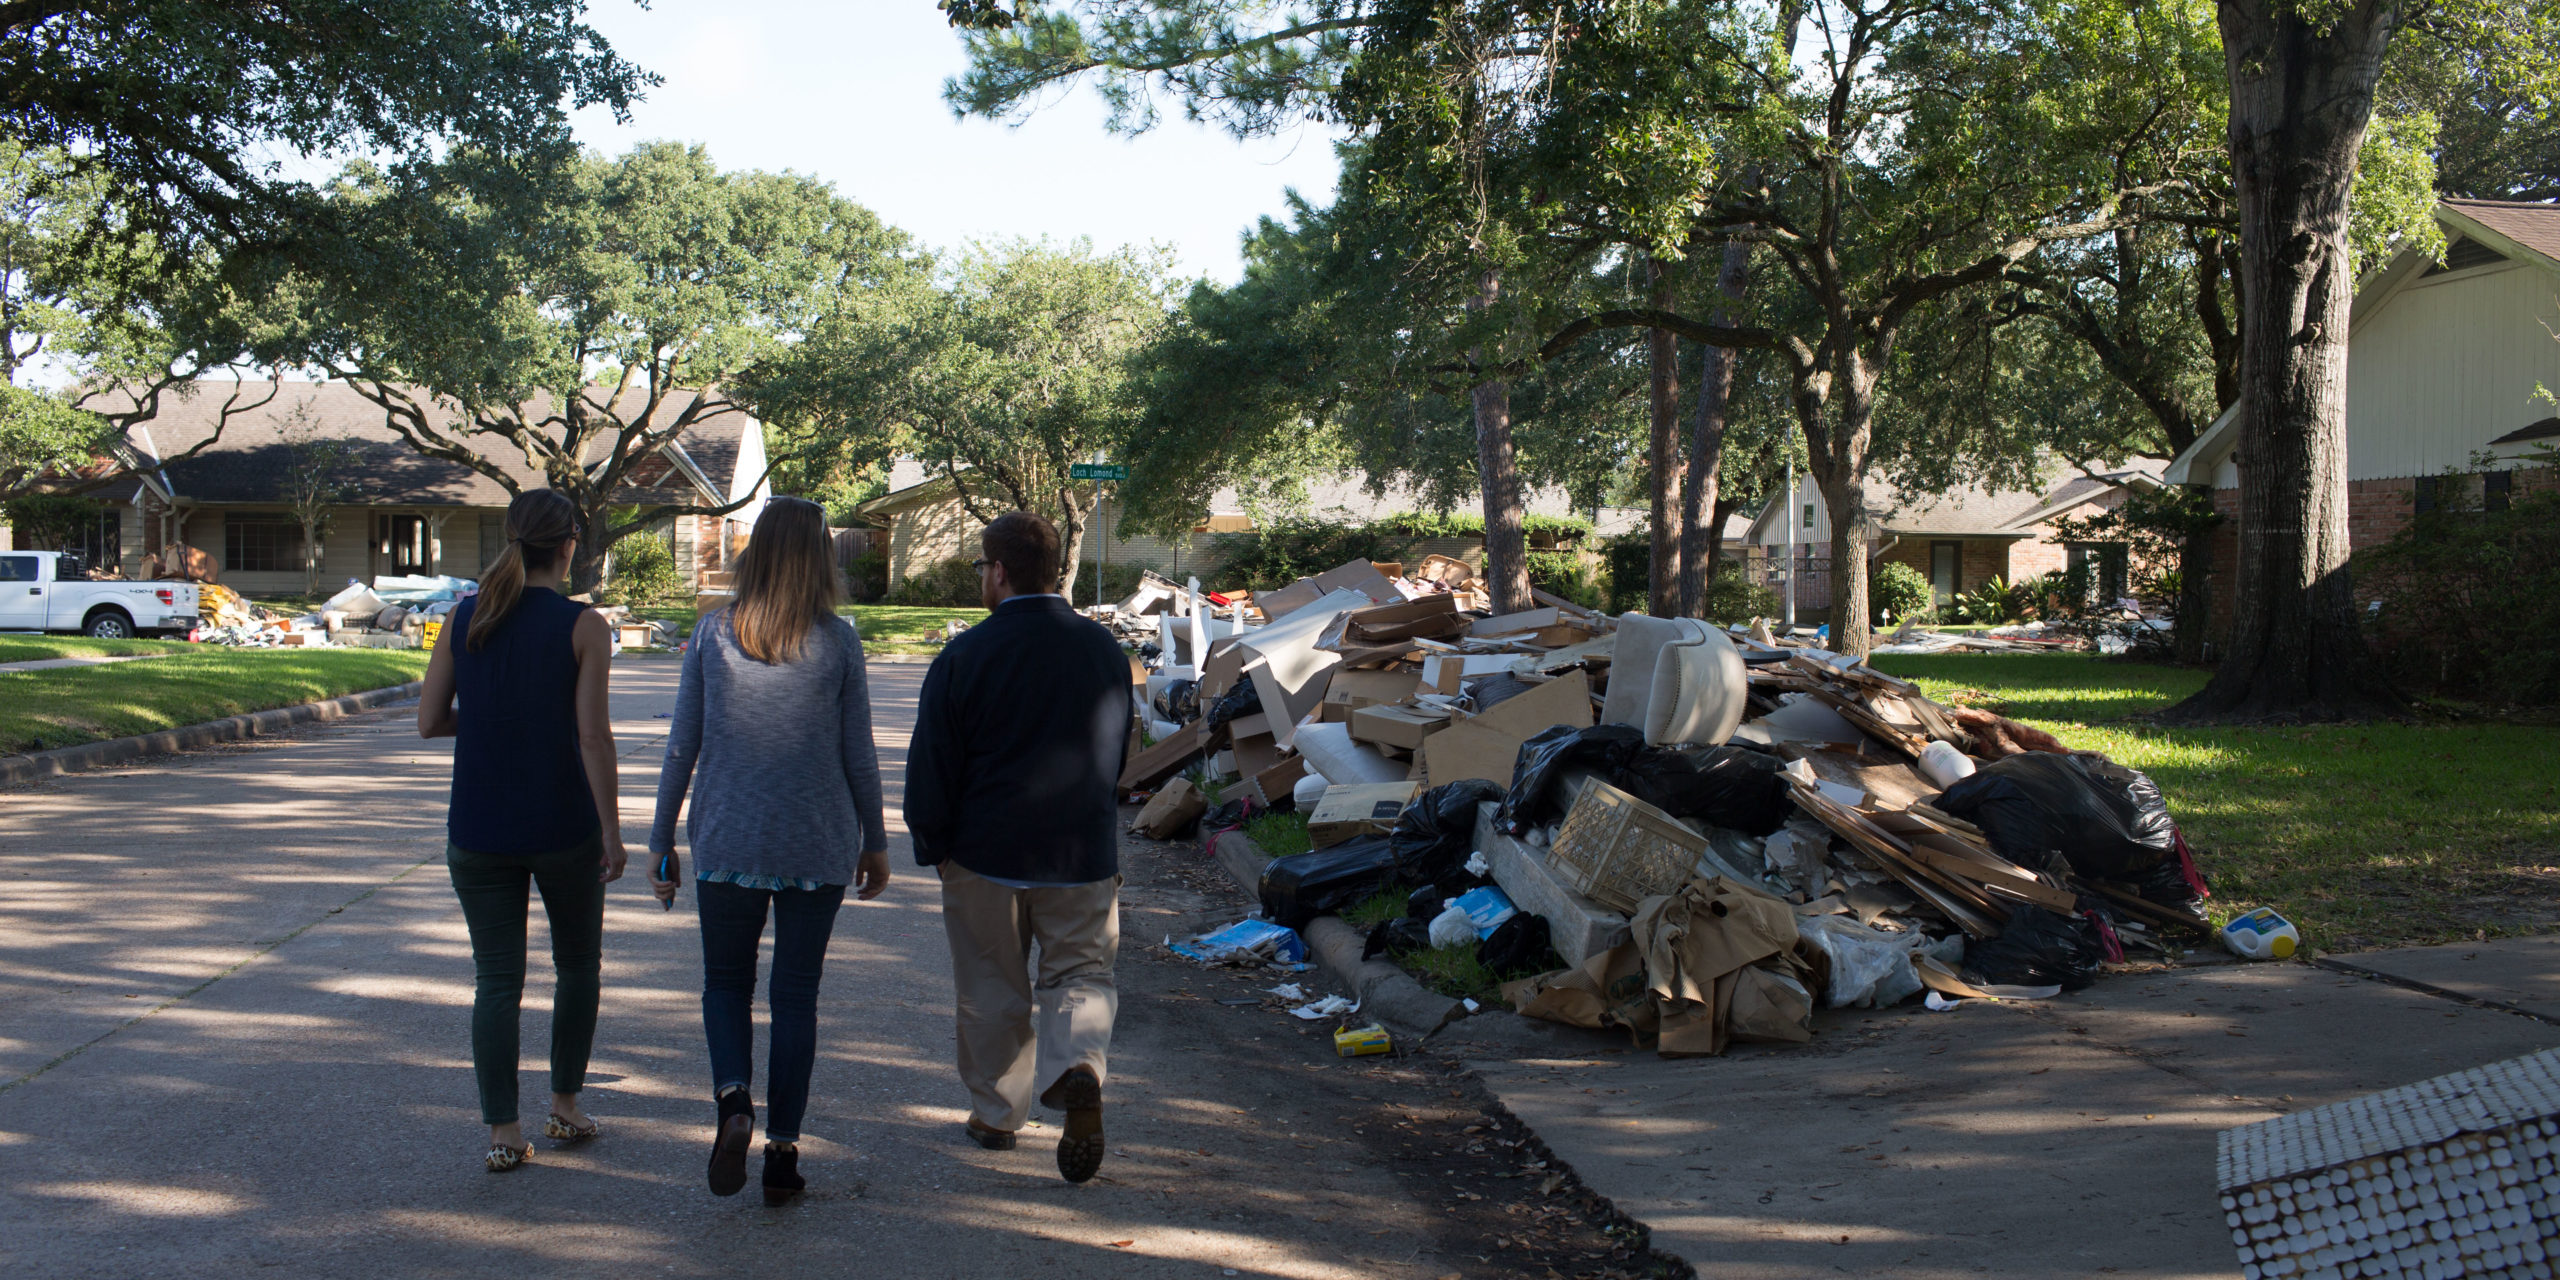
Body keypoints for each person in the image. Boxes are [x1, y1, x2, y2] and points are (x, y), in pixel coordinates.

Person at [649, 495, 890, 1206]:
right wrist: (875, 841)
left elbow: (680, 747)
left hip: (728, 838)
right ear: (821, 558)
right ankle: (782, 1153)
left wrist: (661, 840)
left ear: (753, 555)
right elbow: (859, 754)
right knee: (796, 998)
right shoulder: (840, 640)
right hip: (816, 841)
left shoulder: (713, 634)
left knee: (726, 984)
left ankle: (733, 1104)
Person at [907, 511, 1132, 1184]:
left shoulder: (966, 655)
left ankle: (998, 1116)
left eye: (982, 568)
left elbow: (933, 765)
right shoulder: (1103, 652)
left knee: (991, 988)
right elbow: (1120, 752)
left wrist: (934, 843)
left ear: (999, 571)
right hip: (1081, 852)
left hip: (985, 853)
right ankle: (1078, 1068)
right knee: (1081, 975)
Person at [417, 488, 625, 1174]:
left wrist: (495, 721)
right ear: (569, 544)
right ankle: (565, 1107)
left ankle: (503, 1131)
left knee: (497, 980)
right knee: (577, 968)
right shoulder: (584, 625)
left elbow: (430, 720)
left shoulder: (467, 616)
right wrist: (614, 832)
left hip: (477, 827)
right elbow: (593, 738)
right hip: (562, 824)